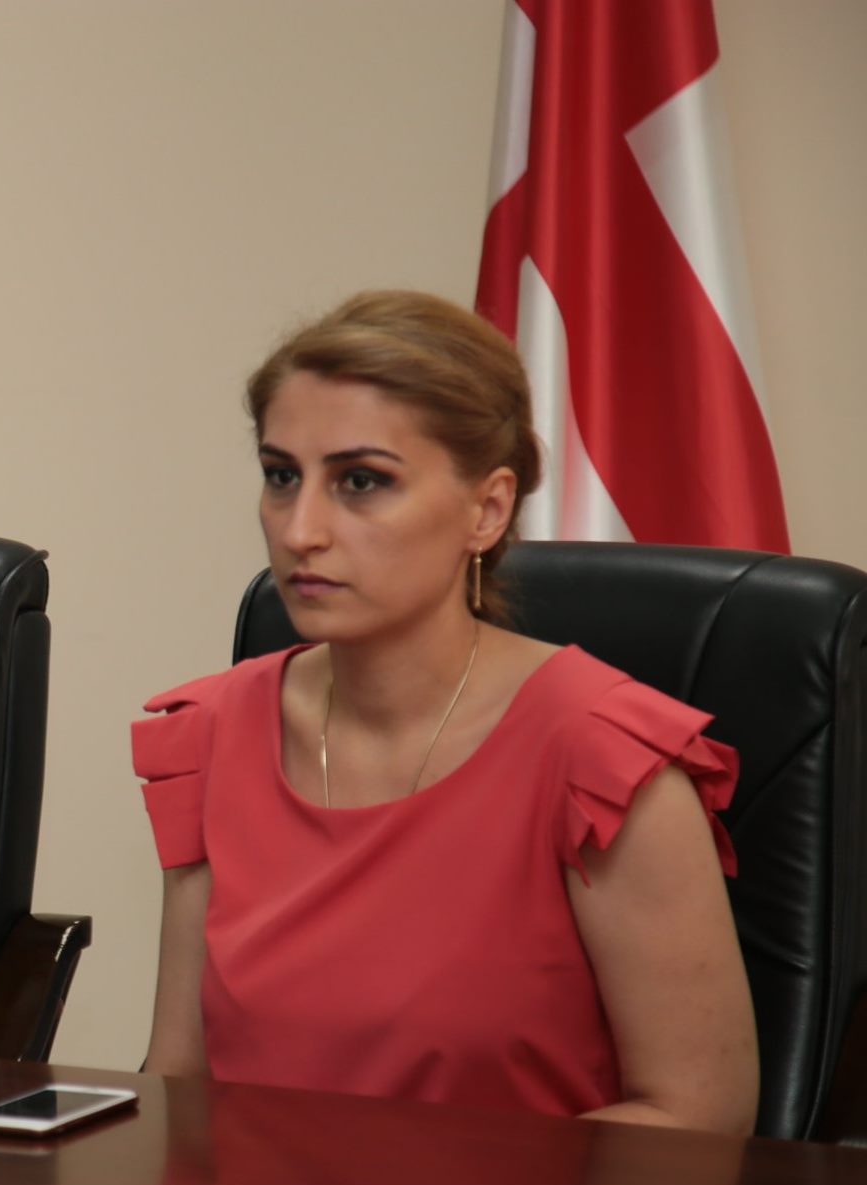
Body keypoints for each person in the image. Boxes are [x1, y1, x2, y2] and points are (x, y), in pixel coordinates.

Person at [131, 290, 757, 1133]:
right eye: (282, 476)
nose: (301, 529)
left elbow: (699, 1117)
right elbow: (178, 1088)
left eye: (361, 481)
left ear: (486, 510)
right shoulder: (211, 734)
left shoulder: (601, 762)